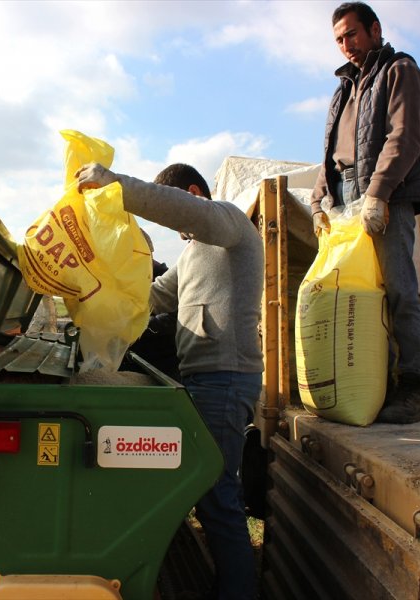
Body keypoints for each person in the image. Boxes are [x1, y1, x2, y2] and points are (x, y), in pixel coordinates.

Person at [77, 162, 263, 600]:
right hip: (203, 379)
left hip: (225, 378)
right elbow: (156, 295)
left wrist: (115, 185)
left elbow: (181, 212)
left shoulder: (228, 221)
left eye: (181, 217)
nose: (179, 230)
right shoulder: (193, 251)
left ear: (194, 194)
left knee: (218, 499)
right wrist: (92, 293)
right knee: (206, 493)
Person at [310, 1, 420, 424]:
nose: (346, 45)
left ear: (375, 29)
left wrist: (378, 195)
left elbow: (405, 137)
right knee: (359, 297)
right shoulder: (342, 89)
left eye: (352, 35)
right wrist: (318, 201)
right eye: (339, 39)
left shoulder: (400, 70)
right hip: (346, 197)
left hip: (389, 195)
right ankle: (373, 387)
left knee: (399, 288)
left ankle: (415, 386)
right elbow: (331, 154)